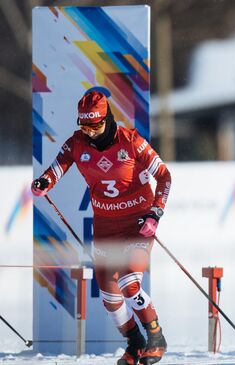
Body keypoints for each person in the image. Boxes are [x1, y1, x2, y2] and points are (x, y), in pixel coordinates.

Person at [32, 90, 172, 365]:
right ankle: (135, 343)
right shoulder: (77, 143)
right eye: (84, 126)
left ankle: (156, 335)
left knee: (129, 282)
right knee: (108, 294)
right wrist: (44, 181)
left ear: (107, 119)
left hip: (138, 223)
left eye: (96, 125)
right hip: (106, 225)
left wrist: (156, 212)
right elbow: (59, 165)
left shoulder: (131, 141)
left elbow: (165, 176)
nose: (91, 132)